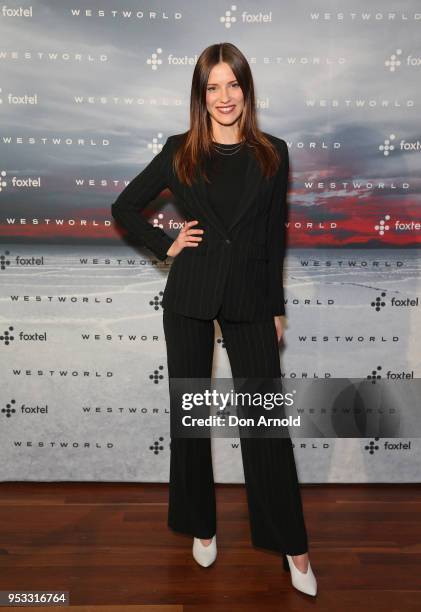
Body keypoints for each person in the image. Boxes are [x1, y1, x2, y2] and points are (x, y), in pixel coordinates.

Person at [111, 42, 317, 597]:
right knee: (192, 418)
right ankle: (201, 524)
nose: (224, 97)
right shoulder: (180, 150)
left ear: (246, 89)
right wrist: (166, 244)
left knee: (264, 427)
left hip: (251, 298)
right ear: (200, 96)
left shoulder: (273, 151)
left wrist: (276, 306)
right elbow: (124, 206)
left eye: (233, 85)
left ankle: (292, 546)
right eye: (212, 87)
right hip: (191, 297)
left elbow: (274, 235)